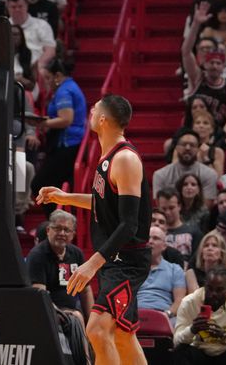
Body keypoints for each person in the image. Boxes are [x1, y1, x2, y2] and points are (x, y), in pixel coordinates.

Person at [37, 95, 151, 365]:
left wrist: (92, 263)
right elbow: (105, 205)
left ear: (102, 119)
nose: (89, 111)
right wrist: (64, 198)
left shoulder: (125, 159)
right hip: (115, 259)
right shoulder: (107, 157)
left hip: (127, 261)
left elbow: (129, 224)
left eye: (94, 108)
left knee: (97, 330)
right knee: (122, 335)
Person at [173, 266, 226, 365]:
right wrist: (192, 330)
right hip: (199, 353)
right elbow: (176, 340)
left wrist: (225, 334)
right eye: (209, 288)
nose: (213, 294)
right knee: (180, 349)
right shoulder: (189, 302)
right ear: (204, 285)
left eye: (219, 290)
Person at [32, 57, 87, 199]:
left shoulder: (64, 91)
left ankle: (55, 216)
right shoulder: (70, 86)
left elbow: (66, 119)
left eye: (48, 78)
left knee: (39, 184)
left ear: (57, 76)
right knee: (54, 185)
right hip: (70, 143)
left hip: (68, 145)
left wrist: (43, 123)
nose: (46, 82)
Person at [27, 209, 92, 322]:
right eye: (57, 228)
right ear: (48, 230)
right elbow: (39, 295)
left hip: (73, 311)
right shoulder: (37, 255)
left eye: (67, 230)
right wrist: (62, 314)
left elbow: (86, 291)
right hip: (47, 313)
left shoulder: (77, 253)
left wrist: (91, 319)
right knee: (76, 319)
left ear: (73, 235)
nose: (62, 233)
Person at [137, 226, 186, 321]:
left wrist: (167, 315)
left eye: (155, 238)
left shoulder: (175, 269)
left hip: (165, 316)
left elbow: (180, 300)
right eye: (148, 238)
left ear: (164, 246)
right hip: (135, 316)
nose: (150, 241)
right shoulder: (133, 269)